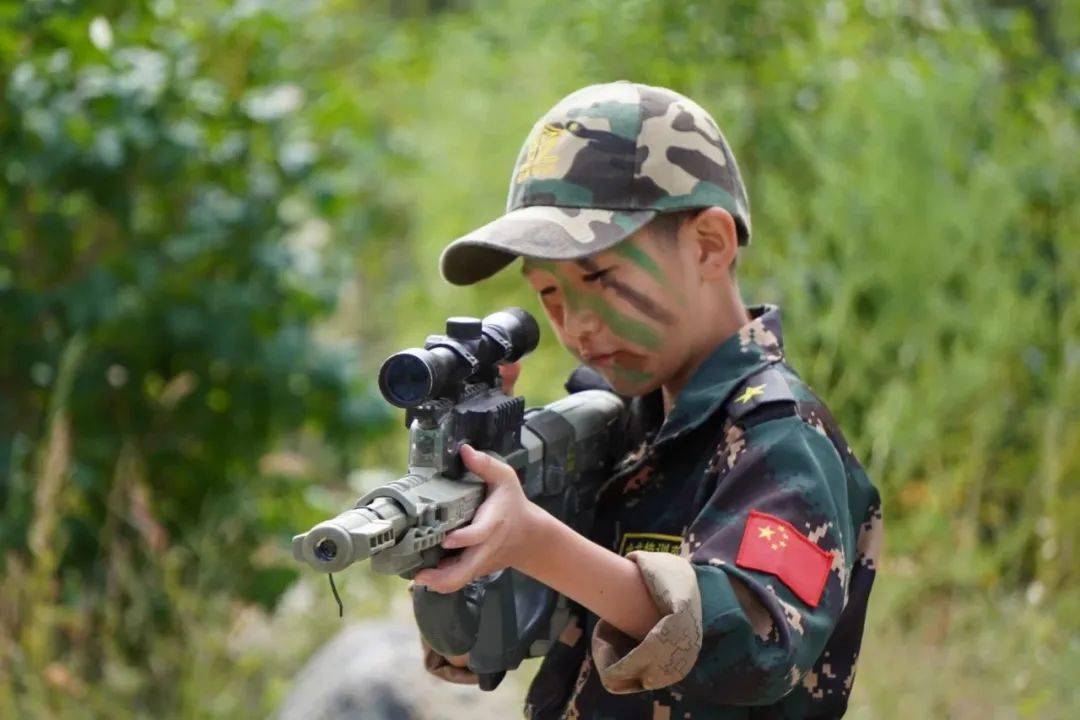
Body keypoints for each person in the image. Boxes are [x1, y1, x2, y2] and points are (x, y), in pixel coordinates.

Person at [413, 81, 883, 719]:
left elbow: (754, 643)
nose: (575, 326)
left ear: (709, 246)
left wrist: (535, 541)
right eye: (549, 294)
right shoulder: (628, 427)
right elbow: (532, 635)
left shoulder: (781, 435)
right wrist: (462, 527)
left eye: (600, 277)